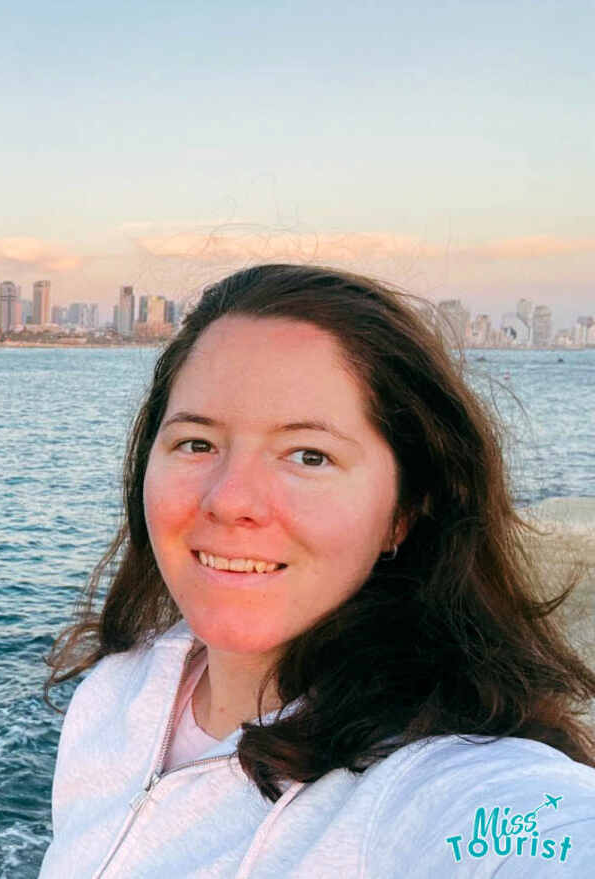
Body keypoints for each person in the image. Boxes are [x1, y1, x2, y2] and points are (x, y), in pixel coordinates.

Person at [39, 264, 595, 877]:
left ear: (402, 513)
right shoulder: (113, 693)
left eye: (309, 455)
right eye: (196, 443)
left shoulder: (437, 788)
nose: (230, 499)